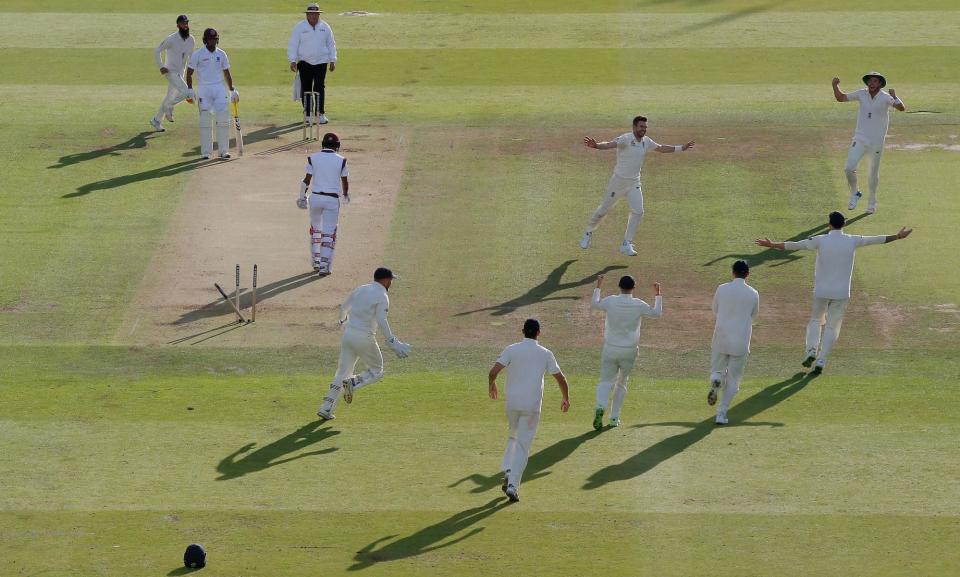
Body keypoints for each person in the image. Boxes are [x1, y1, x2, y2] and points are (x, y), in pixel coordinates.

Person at [756, 212, 912, 373]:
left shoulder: (820, 240)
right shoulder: (852, 240)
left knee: (816, 321)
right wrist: (898, 236)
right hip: (841, 293)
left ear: (829, 225)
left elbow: (796, 245)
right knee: (832, 327)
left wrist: (772, 244)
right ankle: (822, 359)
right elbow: (877, 239)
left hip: (821, 291)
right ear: (844, 224)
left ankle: (811, 351)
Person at [580, 116, 695, 256]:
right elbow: (610, 144)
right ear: (634, 127)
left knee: (638, 211)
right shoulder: (625, 138)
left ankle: (626, 243)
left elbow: (661, 148)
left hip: (634, 182)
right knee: (603, 210)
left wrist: (681, 148)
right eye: (641, 127)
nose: (644, 129)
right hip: (618, 182)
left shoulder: (646, 141)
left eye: (645, 127)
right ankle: (588, 232)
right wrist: (597, 145)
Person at [488, 319, 570, 502]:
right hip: (532, 407)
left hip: (513, 404)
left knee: (513, 437)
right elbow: (561, 378)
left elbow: (493, 372)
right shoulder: (545, 353)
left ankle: (509, 471)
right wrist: (566, 398)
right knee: (523, 446)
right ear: (538, 333)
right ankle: (512, 485)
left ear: (523, 331)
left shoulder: (511, 349)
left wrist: (491, 384)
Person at [317, 268, 411, 421]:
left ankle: (326, 407)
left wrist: (342, 322)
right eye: (391, 280)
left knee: (341, 372)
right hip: (364, 338)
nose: (391, 283)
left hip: (348, 335)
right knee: (377, 370)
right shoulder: (382, 296)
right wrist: (393, 342)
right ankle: (353, 383)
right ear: (386, 280)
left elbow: (343, 308)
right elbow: (381, 320)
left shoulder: (362, 289)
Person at [590, 274, 662, 430]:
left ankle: (600, 407)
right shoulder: (638, 304)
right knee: (621, 383)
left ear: (619, 287)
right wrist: (657, 294)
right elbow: (657, 313)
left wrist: (599, 285)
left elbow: (594, 304)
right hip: (629, 351)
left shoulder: (611, 301)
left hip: (610, 348)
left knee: (605, 381)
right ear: (633, 288)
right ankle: (614, 418)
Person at [832, 72, 906, 214]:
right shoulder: (861, 94)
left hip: (876, 142)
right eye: (870, 81)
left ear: (880, 84)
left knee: (872, 172)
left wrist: (895, 97)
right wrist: (835, 85)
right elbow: (840, 98)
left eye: (875, 81)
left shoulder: (886, 97)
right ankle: (855, 193)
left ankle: (872, 201)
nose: (872, 83)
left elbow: (901, 108)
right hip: (860, 139)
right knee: (849, 168)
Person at [708, 260, 759, 425]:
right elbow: (754, 315)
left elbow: (715, 309)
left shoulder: (722, 288)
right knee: (734, 381)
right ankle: (721, 414)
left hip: (721, 337)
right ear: (748, 274)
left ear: (733, 272)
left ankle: (716, 380)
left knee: (717, 370)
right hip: (741, 341)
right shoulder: (753, 293)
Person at [297, 132, 349, 275]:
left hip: (315, 198)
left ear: (323, 144)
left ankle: (316, 261)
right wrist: (345, 195)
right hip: (332, 200)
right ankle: (324, 266)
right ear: (337, 146)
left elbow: (306, 180)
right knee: (329, 233)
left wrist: (302, 196)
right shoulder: (341, 160)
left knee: (316, 230)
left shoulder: (313, 158)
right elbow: (344, 181)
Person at [186, 28, 239, 160]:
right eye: (210, 40)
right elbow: (189, 73)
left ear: (217, 40)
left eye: (214, 40)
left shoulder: (221, 54)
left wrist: (232, 90)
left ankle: (224, 151)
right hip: (204, 89)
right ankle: (206, 152)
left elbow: (227, 73)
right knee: (205, 121)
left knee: (223, 120)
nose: (212, 42)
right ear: (205, 40)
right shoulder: (197, 54)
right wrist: (190, 89)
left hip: (219, 89)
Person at [288, 3, 337, 125]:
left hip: (321, 62)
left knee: (319, 87)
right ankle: (308, 115)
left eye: (316, 14)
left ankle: (320, 114)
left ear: (319, 14)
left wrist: (333, 60)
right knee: (306, 88)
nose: (313, 16)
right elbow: (293, 44)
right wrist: (292, 60)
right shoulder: (300, 27)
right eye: (311, 14)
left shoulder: (325, 27)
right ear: (307, 14)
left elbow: (331, 44)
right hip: (304, 62)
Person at [150, 15, 196, 132]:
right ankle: (168, 107)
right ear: (178, 26)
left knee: (170, 96)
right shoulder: (171, 39)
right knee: (186, 92)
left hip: (181, 72)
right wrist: (161, 66)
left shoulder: (191, 40)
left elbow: (191, 58)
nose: (185, 26)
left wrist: (191, 73)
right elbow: (157, 50)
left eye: (186, 23)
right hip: (170, 71)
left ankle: (156, 120)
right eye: (182, 24)